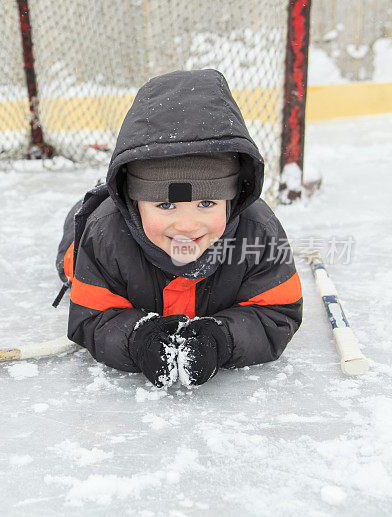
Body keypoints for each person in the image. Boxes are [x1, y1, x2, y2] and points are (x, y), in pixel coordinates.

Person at [55, 69, 302, 388]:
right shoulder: (105, 235)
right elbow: (92, 317)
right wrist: (137, 339)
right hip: (94, 229)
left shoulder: (260, 233)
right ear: (132, 200)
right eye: (166, 205)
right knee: (72, 261)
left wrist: (221, 338)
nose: (187, 225)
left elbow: (277, 313)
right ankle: (93, 200)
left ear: (232, 197)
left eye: (207, 204)